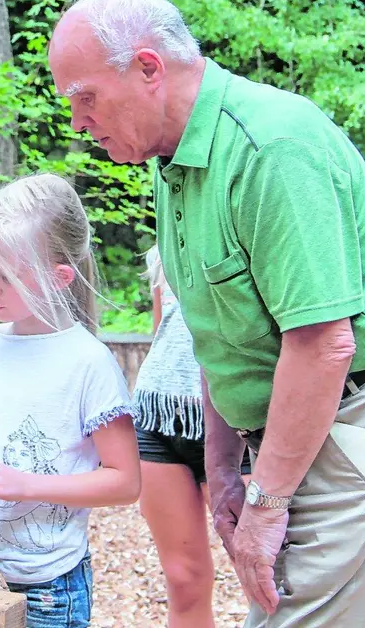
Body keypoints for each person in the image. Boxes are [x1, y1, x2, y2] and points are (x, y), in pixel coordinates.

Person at [47, 0, 365, 627]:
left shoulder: (271, 147)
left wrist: (266, 504)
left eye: (85, 98)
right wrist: (223, 472)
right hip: (300, 429)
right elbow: (217, 335)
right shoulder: (175, 164)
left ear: (148, 69)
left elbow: (323, 343)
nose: (78, 122)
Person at [0, 173, 141, 628]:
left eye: (5, 277)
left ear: (60, 277)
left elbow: (125, 482)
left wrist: (26, 485)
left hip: (48, 591)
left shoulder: (89, 362)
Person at [132, 246, 216, 628]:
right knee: (184, 580)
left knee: (268, 576)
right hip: (157, 414)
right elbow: (161, 331)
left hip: (234, 418)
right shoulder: (164, 244)